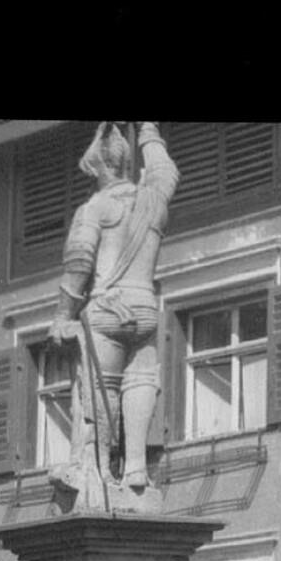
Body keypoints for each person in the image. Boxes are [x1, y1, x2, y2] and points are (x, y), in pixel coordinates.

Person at [54, 119, 179, 500]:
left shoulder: (94, 208)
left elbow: (79, 263)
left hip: (107, 310)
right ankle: (137, 470)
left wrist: (63, 315)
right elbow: (165, 169)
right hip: (144, 308)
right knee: (140, 379)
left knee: (100, 389)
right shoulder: (154, 200)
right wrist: (148, 128)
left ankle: (99, 472)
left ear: (98, 169)